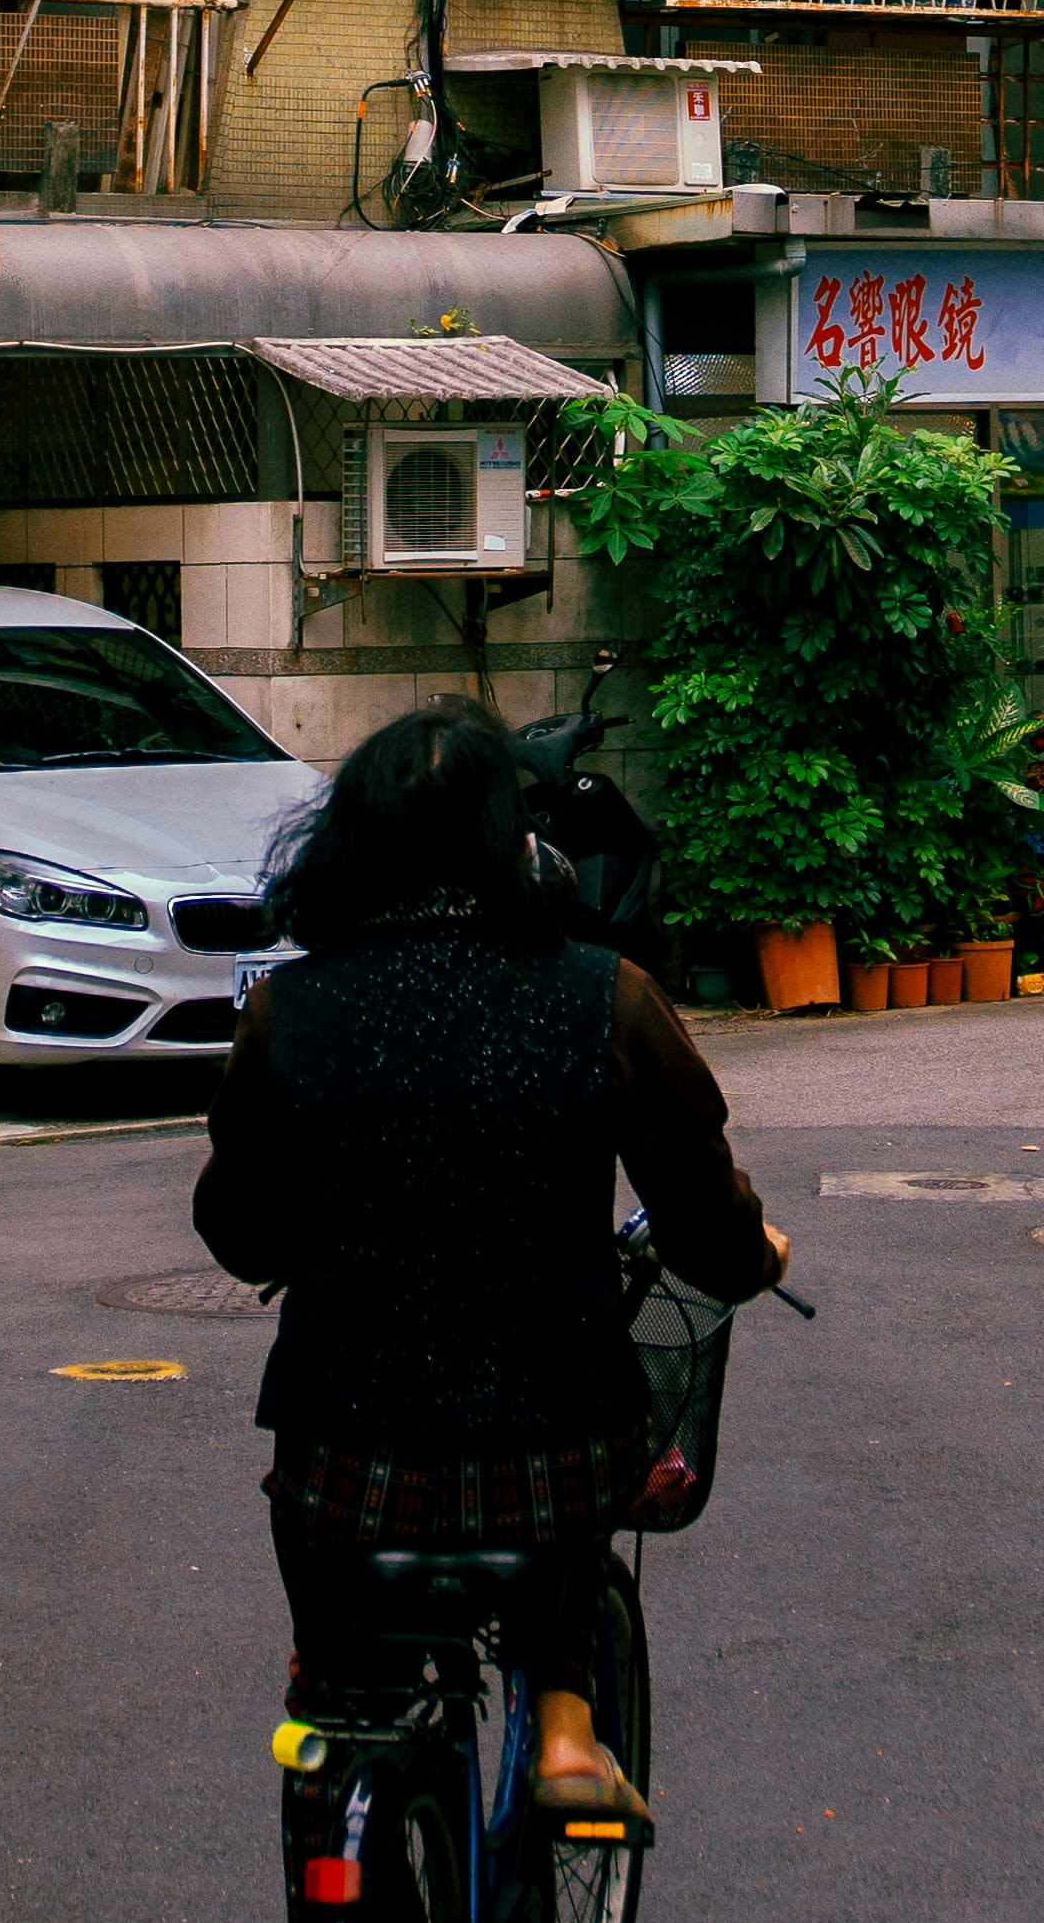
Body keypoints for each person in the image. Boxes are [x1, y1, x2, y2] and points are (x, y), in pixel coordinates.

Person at [192, 698, 785, 1824]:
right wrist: (754, 1252)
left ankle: (333, 1711)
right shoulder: (604, 995)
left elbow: (238, 1230)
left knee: (332, 1633)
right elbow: (705, 1225)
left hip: (347, 1464)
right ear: (519, 845)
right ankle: (565, 1720)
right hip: (551, 1461)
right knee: (579, 1498)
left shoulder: (289, 1011)